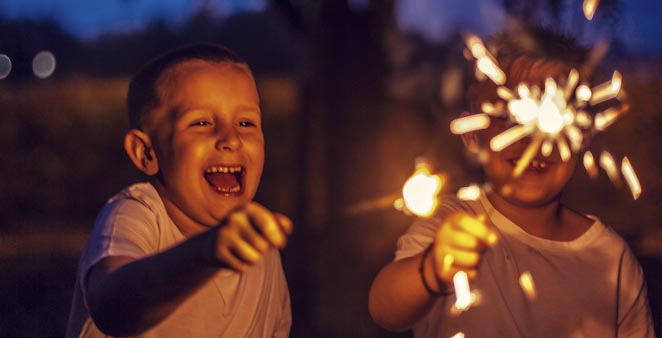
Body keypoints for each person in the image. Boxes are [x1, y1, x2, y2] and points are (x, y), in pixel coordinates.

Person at [368, 26, 655, 338]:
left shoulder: (612, 258)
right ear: (472, 132)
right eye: (511, 115)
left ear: (583, 134)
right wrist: (434, 269)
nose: (532, 139)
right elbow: (385, 309)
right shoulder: (450, 224)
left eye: (556, 113)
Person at [66, 43, 293, 338]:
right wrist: (207, 253)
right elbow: (111, 304)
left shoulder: (261, 247)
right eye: (201, 122)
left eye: (246, 122)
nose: (231, 139)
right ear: (145, 152)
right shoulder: (137, 213)